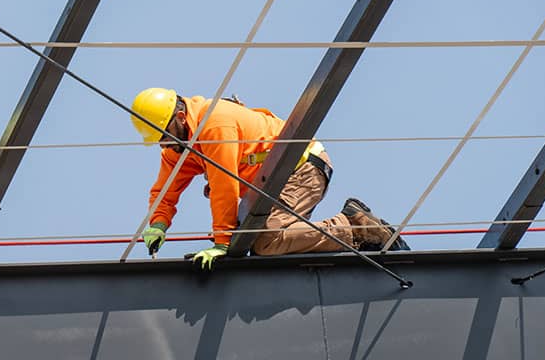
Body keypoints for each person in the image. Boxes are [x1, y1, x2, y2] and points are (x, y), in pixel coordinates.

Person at [129, 88, 408, 269]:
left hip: (300, 167)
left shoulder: (213, 123)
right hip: (270, 182)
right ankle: (347, 230)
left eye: (164, 136)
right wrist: (158, 223)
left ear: (180, 117)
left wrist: (222, 243)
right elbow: (166, 188)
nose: (163, 145)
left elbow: (224, 185)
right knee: (258, 242)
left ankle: (356, 227)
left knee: (266, 243)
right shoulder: (179, 144)